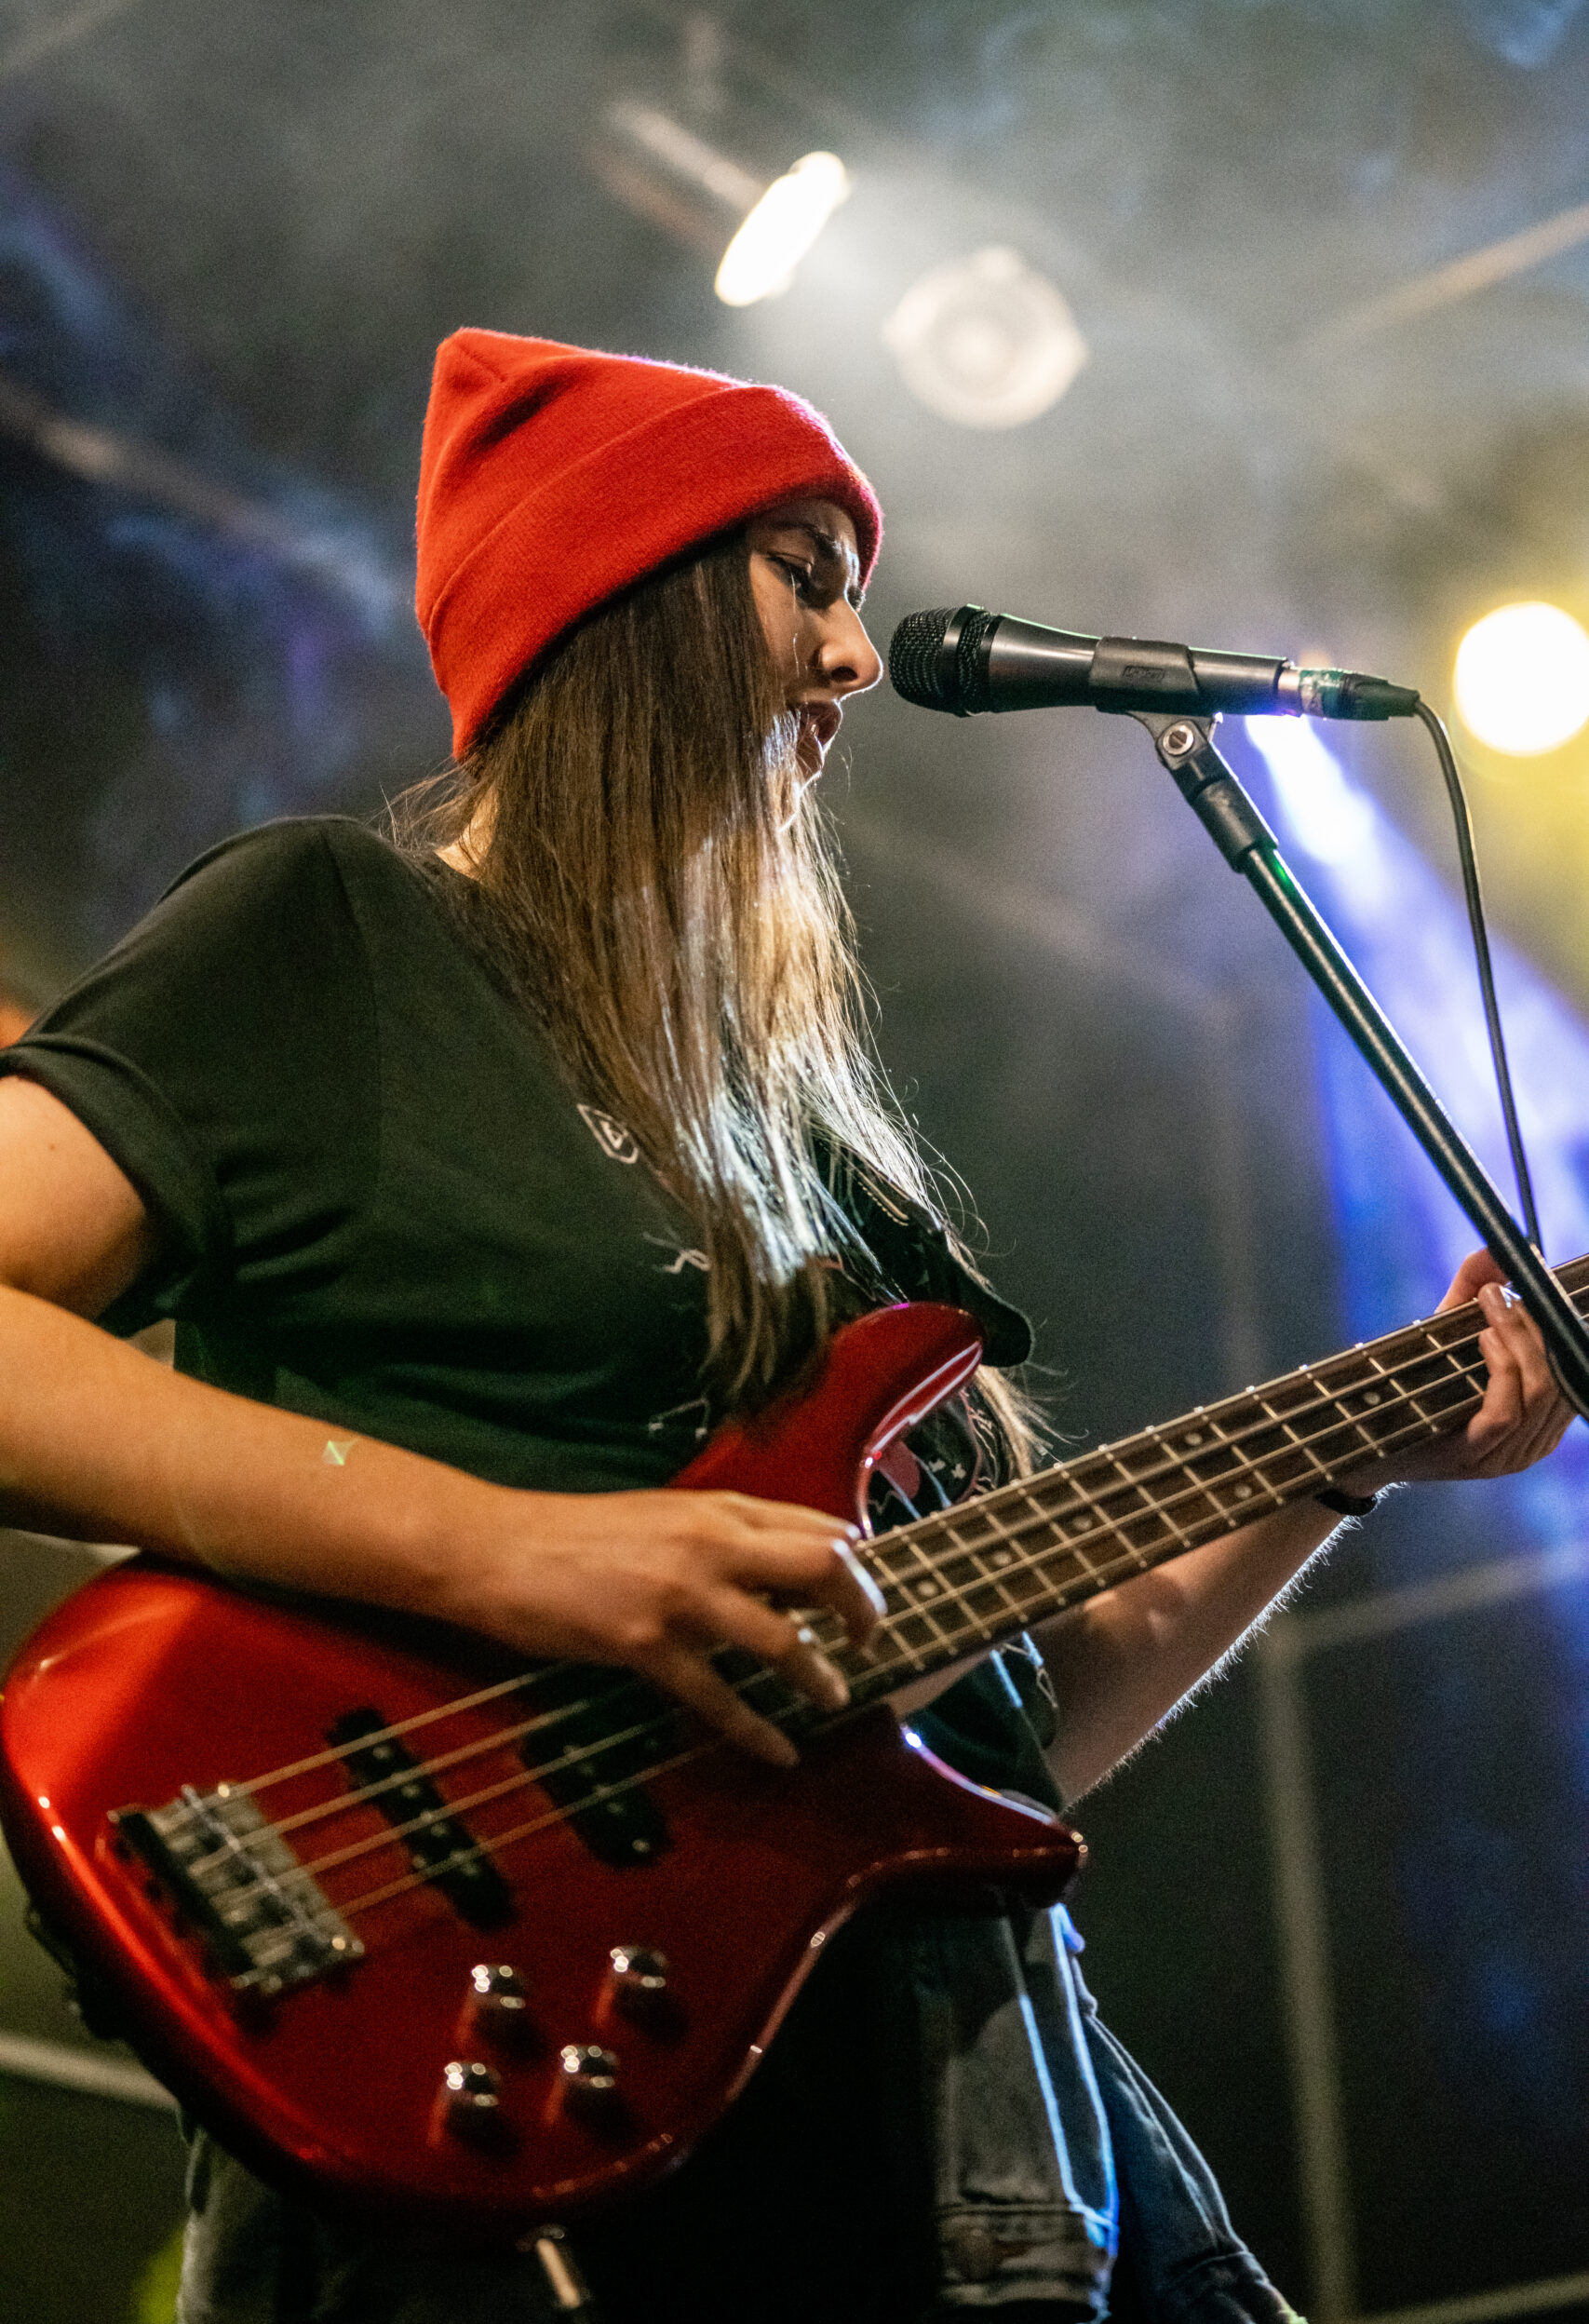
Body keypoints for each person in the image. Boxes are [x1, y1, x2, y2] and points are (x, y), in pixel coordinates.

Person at [0, 330, 1569, 2324]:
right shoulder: (335, 934)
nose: (853, 656)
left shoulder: (821, 1159)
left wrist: (1351, 1458)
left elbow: (1003, 1738)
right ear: (623, 591)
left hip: (981, 2101)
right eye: (802, 574)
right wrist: (516, 1551)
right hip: (501, 2061)